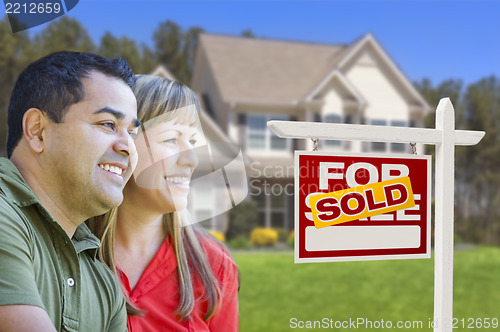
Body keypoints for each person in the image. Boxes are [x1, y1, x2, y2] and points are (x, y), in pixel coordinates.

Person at [0, 51, 141, 331]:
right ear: (38, 131)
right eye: (108, 124)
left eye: (132, 133)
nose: (128, 147)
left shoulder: (103, 284)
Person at [90, 75, 239, 331]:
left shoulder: (216, 266)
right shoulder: (65, 249)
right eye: (171, 139)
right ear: (125, 146)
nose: (192, 159)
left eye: (192, 141)